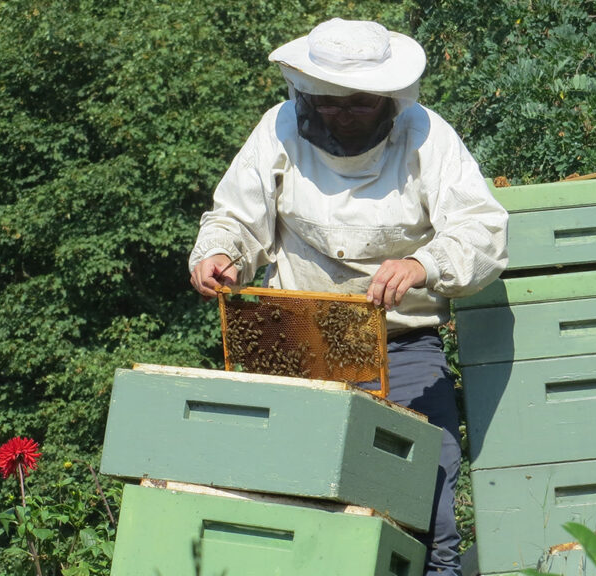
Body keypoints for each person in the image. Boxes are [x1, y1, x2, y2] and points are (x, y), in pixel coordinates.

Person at [188, 18, 508, 576]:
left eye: (358, 105)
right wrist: (219, 255)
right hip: (297, 347)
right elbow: (237, 219)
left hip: (403, 347)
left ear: (389, 99)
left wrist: (421, 264)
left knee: (427, 511)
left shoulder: (428, 138)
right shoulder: (278, 130)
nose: (340, 115)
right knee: (300, 509)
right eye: (327, 104)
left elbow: (482, 230)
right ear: (303, 92)